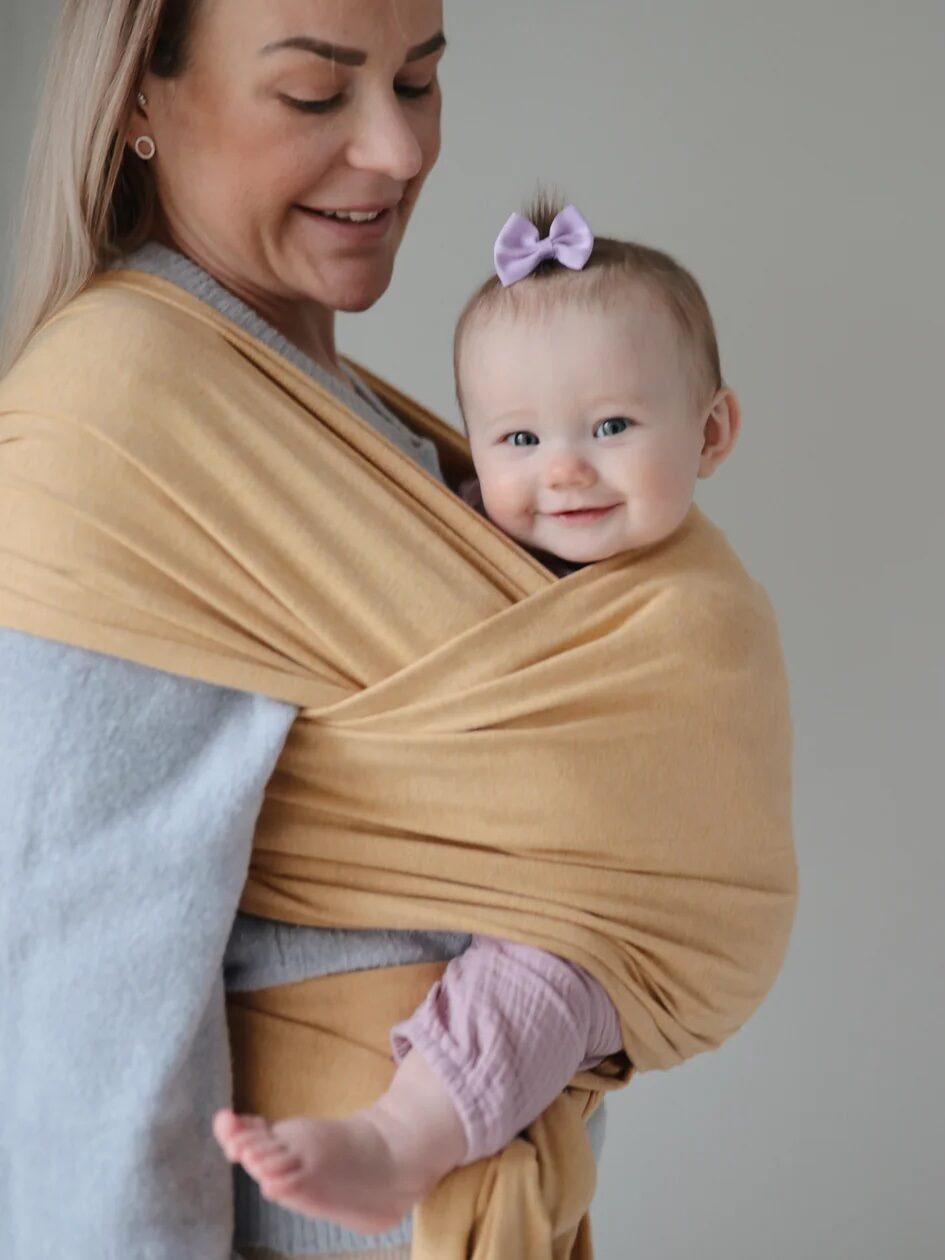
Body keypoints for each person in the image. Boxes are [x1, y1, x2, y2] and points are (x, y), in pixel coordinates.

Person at [0, 3, 796, 1258]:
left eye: (419, 83)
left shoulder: (376, 424)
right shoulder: (124, 421)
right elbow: (82, 1035)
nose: (398, 148)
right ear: (137, 104)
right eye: (318, 96)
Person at [214, 200, 743, 1226]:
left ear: (712, 430)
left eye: (613, 426)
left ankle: (397, 1142)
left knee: (536, 985)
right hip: (414, 921)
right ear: (471, 457)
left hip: (606, 931)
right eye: (519, 438)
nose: (564, 468)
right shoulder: (455, 550)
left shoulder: (701, 612)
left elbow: (698, 779)